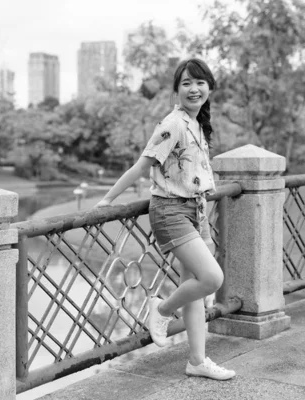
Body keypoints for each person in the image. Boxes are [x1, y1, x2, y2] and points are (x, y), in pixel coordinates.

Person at [93, 58, 235, 381]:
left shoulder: (198, 125)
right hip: (170, 212)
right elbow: (141, 166)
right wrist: (107, 200)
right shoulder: (173, 124)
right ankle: (161, 309)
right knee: (212, 278)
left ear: (209, 88)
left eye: (199, 83)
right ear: (176, 92)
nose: (193, 89)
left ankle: (197, 360)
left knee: (195, 287)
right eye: (186, 83)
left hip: (193, 211)